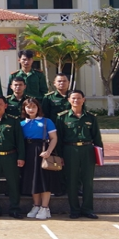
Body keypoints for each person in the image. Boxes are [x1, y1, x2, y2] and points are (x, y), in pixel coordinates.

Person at [56, 89, 103, 219]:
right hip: (69, 150)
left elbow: (97, 138)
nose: (76, 100)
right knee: (71, 181)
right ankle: (74, 210)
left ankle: (88, 209)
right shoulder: (62, 117)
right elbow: (58, 139)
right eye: (73, 98)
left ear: (84, 100)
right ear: (69, 100)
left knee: (88, 181)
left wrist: (100, 156)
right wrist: (60, 156)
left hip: (87, 150)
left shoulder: (91, 117)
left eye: (78, 98)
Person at [20, 98, 60, 220]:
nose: (31, 109)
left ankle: (45, 207)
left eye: (34, 107)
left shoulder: (47, 122)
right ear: (24, 109)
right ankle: (36, 205)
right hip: (28, 151)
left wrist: (48, 151)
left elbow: (54, 138)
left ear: (38, 108)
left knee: (44, 179)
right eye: (28, 107)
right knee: (33, 179)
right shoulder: (21, 123)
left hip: (43, 151)